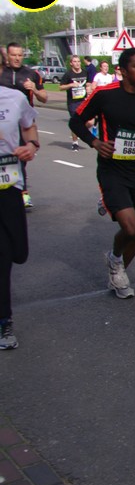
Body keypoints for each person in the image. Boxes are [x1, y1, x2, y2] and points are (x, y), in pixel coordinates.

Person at [69, 48, 135, 299]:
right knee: (131, 227)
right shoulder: (105, 95)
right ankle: (116, 264)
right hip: (112, 169)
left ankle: (118, 266)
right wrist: (94, 143)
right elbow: (76, 121)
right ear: (123, 71)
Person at [0, 46, 40, 349]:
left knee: (18, 252)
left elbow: (29, 128)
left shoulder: (13, 98)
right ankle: (4, 321)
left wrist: (32, 146)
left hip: (9, 185)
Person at [0, 43, 46, 209]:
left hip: (23, 122)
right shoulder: (3, 73)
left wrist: (34, 89)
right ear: (7, 57)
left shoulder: (31, 74)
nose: (17, 58)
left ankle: (20, 190)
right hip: (6, 122)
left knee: (19, 156)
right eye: (14, 55)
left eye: (20, 55)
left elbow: (44, 98)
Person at [60, 55, 89, 151]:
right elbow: (61, 87)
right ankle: (75, 143)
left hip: (83, 100)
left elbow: (88, 83)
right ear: (71, 63)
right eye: (75, 61)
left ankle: (79, 131)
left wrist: (89, 88)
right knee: (75, 122)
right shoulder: (68, 74)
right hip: (73, 102)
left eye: (78, 61)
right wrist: (71, 85)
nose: (77, 63)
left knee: (90, 121)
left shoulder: (85, 72)